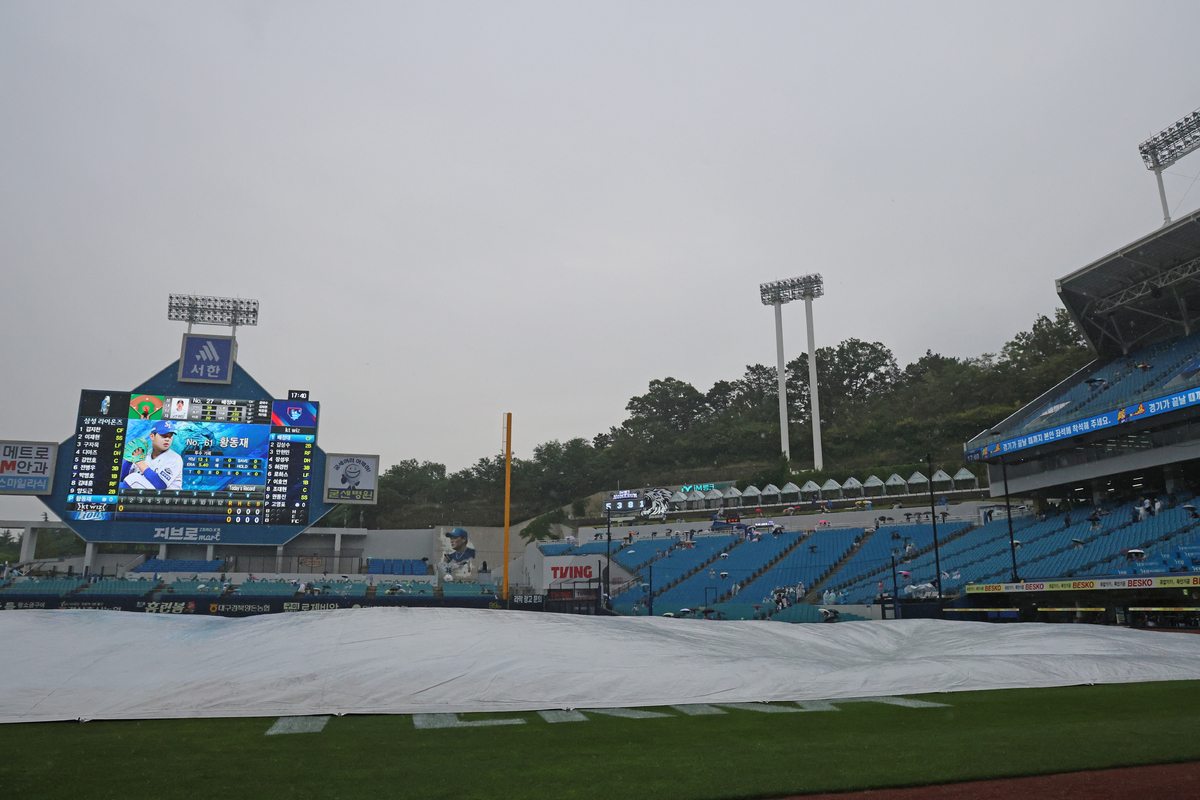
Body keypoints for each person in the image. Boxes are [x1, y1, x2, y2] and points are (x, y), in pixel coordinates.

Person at [120, 420, 183, 490]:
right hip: (143, 495)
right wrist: (129, 460)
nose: (167, 439)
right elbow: (121, 479)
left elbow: (160, 485)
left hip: (166, 495)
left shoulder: (174, 458)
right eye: (163, 435)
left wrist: (140, 462)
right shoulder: (145, 457)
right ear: (152, 436)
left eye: (170, 436)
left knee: (134, 479)